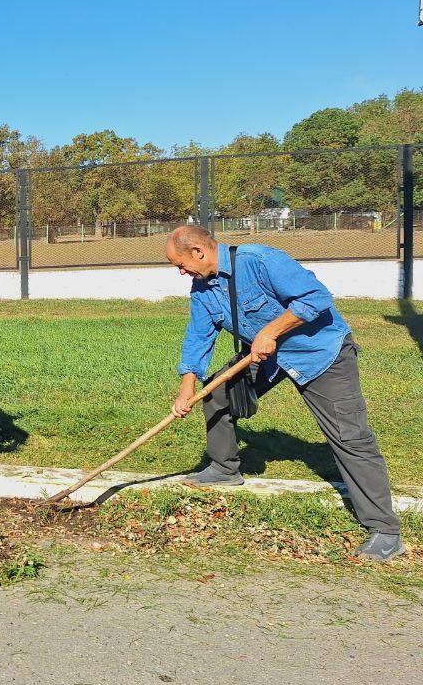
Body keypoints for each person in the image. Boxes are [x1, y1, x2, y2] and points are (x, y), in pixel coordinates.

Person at [167, 225, 404, 562]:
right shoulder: (202, 287)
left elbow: (317, 298)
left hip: (320, 354)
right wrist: (187, 385)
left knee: (349, 436)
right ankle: (224, 468)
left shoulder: (260, 261)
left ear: (199, 252)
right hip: (267, 356)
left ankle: (385, 531)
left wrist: (271, 330)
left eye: (180, 264)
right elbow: (198, 335)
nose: (180, 272)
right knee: (216, 391)